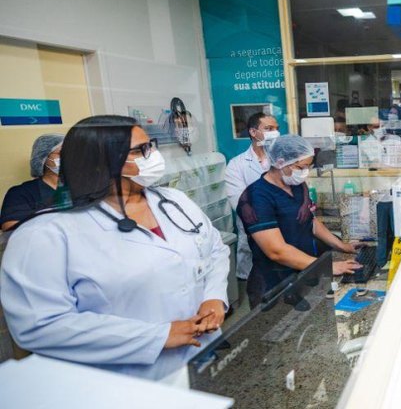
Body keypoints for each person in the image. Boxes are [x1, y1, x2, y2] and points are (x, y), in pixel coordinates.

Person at [0, 116, 230, 380]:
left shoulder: (173, 201)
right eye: (141, 150)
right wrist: (156, 336)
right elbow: (40, 325)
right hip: (126, 378)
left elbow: (214, 249)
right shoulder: (44, 234)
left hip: (200, 358)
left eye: (150, 146)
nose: (153, 155)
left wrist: (213, 297)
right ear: (102, 161)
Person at [237, 135, 363, 306]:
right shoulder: (256, 197)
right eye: (301, 167)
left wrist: (342, 246)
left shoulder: (297, 186)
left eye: (308, 167)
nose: (305, 172)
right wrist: (327, 267)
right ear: (281, 162)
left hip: (303, 273)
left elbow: (310, 221)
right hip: (274, 282)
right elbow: (276, 251)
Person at [225, 112, 279, 285]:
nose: (275, 133)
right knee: (257, 290)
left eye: (277, 129)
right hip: (252, 234)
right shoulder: (236, 164)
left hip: (282, 232)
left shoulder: (282, 159)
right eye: (269, 128)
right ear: (253, 132)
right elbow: (240, 203)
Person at [1, 134, 65, 231]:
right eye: (61, 153)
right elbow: (10, 229)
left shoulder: (80, 188)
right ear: (43, 158)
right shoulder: (21, 193)